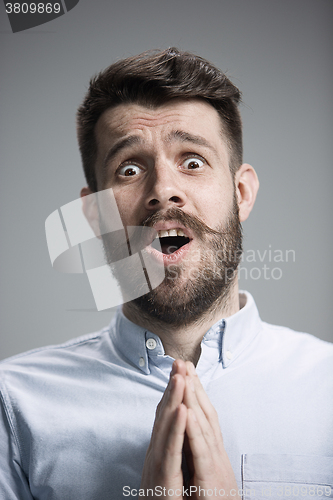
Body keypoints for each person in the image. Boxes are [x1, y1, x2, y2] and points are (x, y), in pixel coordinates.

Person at [0, 48, 332, 500]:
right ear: (93, 217)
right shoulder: (13, 404)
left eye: (192, 161)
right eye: (130, 169)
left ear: (241, 193)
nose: (163, 191)